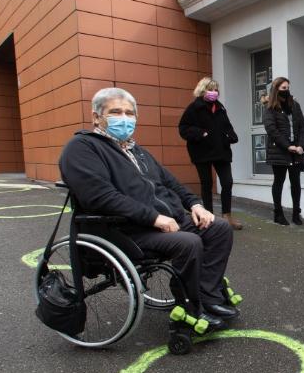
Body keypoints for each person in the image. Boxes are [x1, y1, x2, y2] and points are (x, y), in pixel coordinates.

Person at [59, 88, 239, 329]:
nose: (124, 118)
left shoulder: (137, 151)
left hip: (165, 221)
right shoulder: (82, 148)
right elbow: (101, 197)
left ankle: (208, 295)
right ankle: (190, 307)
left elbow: (171, 182)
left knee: (219, 229)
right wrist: (154, 218)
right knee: (188, 242)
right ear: (96, 117)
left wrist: (196, 205)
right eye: (115, 112)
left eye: (129, 113)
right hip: (126, 229)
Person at [178, 77, 242, 230]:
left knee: (227, 182)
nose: (214, 92)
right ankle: (210, 216)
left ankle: (227, 216)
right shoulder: (194, 108)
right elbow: (183, 128)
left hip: (221, 151)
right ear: (202, 90)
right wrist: (201, 133)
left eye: (215, 90)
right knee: (206, 184)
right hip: (202, 152)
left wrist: (231, 136)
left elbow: (227, 126)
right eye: (210, 89)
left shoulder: (220, 108)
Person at [262, 76, 304, 226]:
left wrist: (300, 145)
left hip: (296, 151)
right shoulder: (270, 107)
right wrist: (287, 146)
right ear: (276, 89)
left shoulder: (295, 105)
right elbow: (272, 130)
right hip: (280, 151)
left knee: (296, 183)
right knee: (279, 182)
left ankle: (296, 213)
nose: (286, 91)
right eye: (283, 88)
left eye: (287, 88)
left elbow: (302, 127)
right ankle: (278, 214)